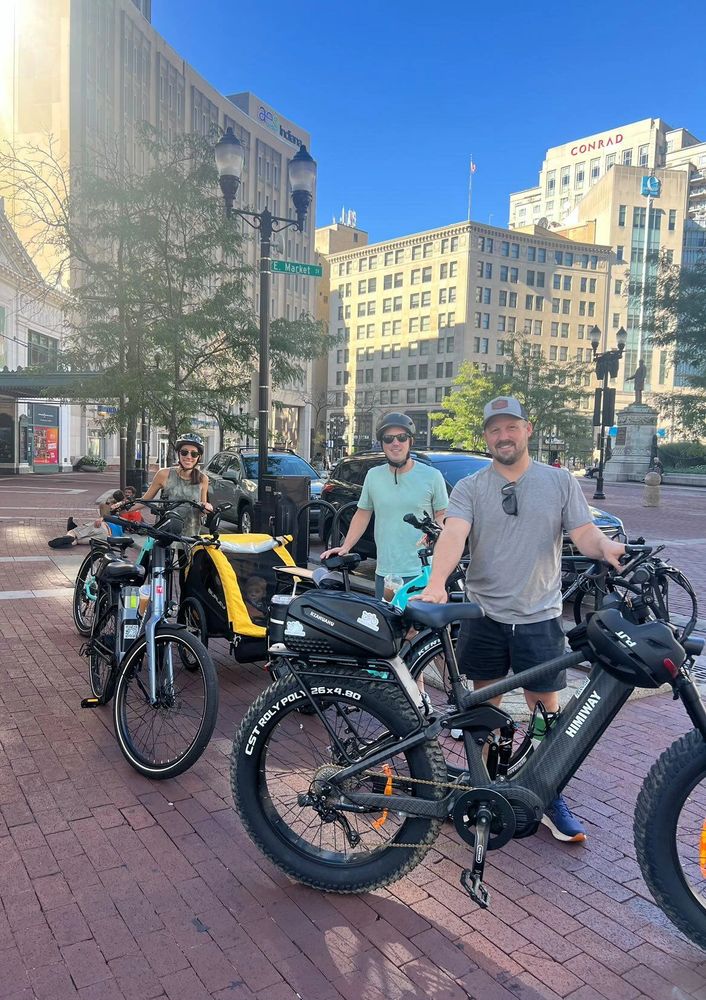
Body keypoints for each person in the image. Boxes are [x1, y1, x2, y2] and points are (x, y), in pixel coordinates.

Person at [418, 395, 625, 843]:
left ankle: (547, 793)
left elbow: (584, 532)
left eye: (511, 426)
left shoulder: (558, 481)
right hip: (485, 615)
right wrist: (437, 582)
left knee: (546, 713)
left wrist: (606, 548)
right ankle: (482, 790)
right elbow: (453, 535)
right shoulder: (470, 487)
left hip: (539, 616)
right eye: (495, 429)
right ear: (486, 437)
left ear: (527, 430)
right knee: (484, 711)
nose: (503, 436)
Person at [321, 413, 448, 599]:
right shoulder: (373, 475)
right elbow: (363, 514)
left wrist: (435, 531)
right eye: (388, 439)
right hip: (385, 572)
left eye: (401, 437)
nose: (395, 443)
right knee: (386, 616)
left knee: (418, 619)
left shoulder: (432, 476)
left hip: (422, 570)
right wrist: (346, 546)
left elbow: (442, 514)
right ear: (382, 444)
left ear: (410, 441)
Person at [138, 432, 212, 535]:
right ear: (178, 454)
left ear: (198, 457)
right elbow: (144, 501)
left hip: (190, 537)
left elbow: (203, 510)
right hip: (165, 536)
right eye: (184, 452)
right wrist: (121, 507)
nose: (189, 457)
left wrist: (207, 508)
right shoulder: (164, 474)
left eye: (194, 454)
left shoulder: (203, 479)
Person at [48, 489, 126, 548]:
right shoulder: (123, 524)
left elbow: (104, 510)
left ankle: (70, 533)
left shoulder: (114, 516)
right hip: (107, 537)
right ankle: (69, 543)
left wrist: (102, 518)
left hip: (102, 526)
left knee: (73, 533)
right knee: (78, 541)